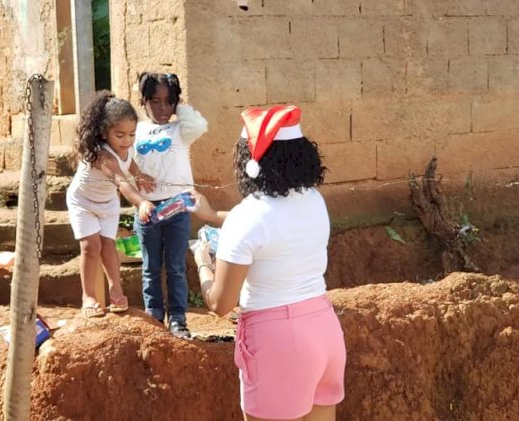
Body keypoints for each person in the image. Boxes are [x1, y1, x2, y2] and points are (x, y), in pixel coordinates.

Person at [192, 105, 346, 421]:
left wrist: (201, 262)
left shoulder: (246, 217)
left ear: (248, 162)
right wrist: (213, 217)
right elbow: (274, 225)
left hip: (278, 341)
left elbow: (221, 303)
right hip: (324, 329)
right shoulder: (315, 201)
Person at [67, 91, 156, 318]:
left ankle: (116, 289)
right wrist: (141, 202)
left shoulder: (126, 149)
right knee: (91, 247)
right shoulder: (101, 155)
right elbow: (121, 183)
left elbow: (130, 164)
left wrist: (140, 174)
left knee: (109, 246)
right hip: (83, 203)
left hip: (107, 204)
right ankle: (88, 296)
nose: (127, 141)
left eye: (131, 135)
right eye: (120, 135)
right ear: (104, 132)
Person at [133, 72, 208, 338]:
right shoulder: (136, 131)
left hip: (177, 208)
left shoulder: (180, 130)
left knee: (175, 267)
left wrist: (181, 104)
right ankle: (154, 317)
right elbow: (126, 168)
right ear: (143, 101)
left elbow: (200, 125)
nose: (163, 108)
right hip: (147, 209)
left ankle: (178, 319)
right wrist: (140, 200)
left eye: (169, 101)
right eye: (155, 101)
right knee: (151, 268)